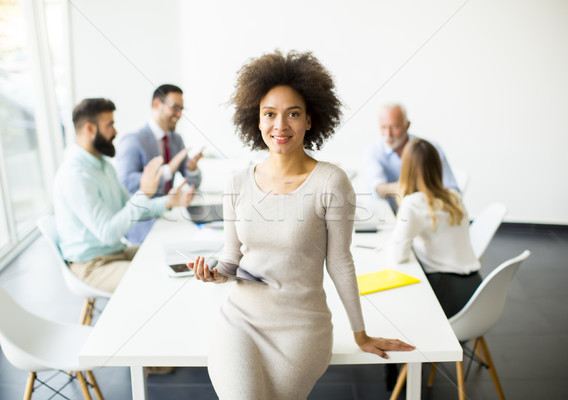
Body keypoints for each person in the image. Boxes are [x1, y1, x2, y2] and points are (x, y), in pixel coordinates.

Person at [187, 50, 415, 400]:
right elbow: (232, 259)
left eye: (293, 114)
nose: (280, 126)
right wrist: (214, 274)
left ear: (310, 120)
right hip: (241, 322)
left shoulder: (331, 181)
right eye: (270, 114)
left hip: (301, 329)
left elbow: (340, 262)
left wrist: (360, 333)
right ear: (257, 120)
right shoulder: (237, 183)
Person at [54, 98, 194, 293]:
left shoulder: (103, 166)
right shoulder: (76, 174)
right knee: (160, 279)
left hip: (116, 253)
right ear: (90, 129)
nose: (115, 132)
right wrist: (144, 192)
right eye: (109, 125)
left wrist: (168, 201)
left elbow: (130, 207)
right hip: (93, 265)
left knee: (177, 257)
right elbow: (109, 234)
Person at [387, 138, 481, 318]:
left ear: (406, 169)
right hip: (476, 291)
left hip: (447, 293)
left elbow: (398, 256)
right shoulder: (454, 196)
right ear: (438, 166)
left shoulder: (413, 203)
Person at [115, 84, 203, 243]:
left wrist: (192, 169)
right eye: (175, 107)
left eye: (182, 109)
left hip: (170, 215)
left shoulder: (176, 140)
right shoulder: (133, 140)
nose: (179, 114)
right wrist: (167, 171)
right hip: (143, 224)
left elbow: (193, 183)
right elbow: (125, 182)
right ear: (156, 104)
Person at [364, 104, 458, 210]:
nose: (388, 134)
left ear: (407, 125)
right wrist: (414, 187)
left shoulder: (429, 148)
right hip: (391, 217)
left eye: (395, 127)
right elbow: (376, 187)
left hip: (430, 214)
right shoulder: (374, 151)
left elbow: (452, 189)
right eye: (383, 127)